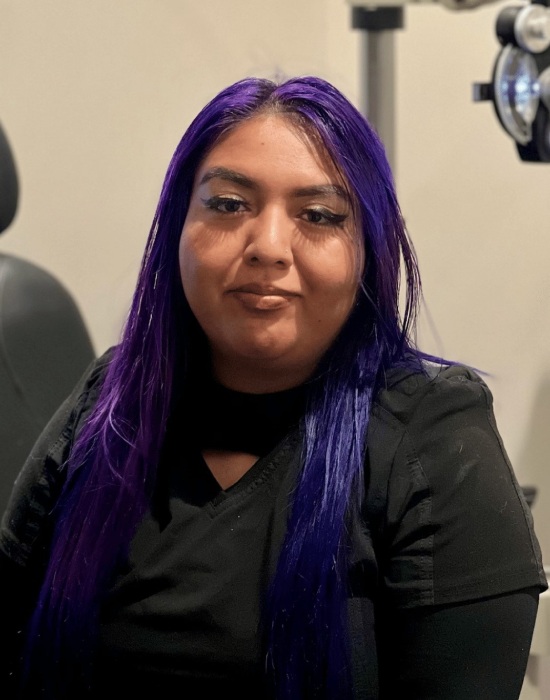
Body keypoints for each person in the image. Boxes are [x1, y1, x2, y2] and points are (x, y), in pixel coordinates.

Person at [0, 75, 546, 700]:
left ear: (367, 249)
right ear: (178, 226)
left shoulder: (433, 435)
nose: (267, 247)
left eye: (318, 216)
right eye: (229, 205)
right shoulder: (110, 404)